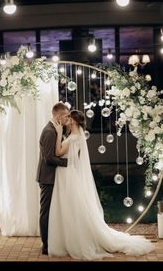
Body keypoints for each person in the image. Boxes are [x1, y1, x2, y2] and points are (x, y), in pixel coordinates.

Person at [48, 110, 155, 260]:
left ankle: (74, 239)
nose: (66, 120)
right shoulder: (77, 137)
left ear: (73, 121)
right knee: (72, 207)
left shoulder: (73, 138)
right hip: (69, 174)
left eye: (69, 118)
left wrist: (59, 133)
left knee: (70, 207)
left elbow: (58, 152)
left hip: (68, 176)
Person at [36, 102, 70, 255]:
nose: (67, 119)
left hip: (51, 176)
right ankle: (45, 245)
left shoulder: (55, 129)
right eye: (66, 116)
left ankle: (51, 242)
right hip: (47, 177)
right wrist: (69, 163)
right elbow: (48, 158)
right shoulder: (50, 131)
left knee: (50, 211)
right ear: (58, 116)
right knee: (46, 212)